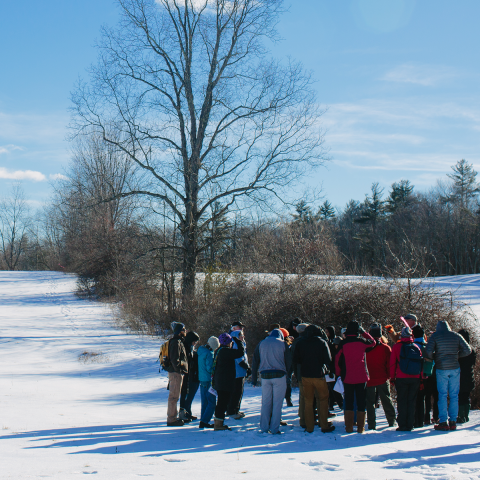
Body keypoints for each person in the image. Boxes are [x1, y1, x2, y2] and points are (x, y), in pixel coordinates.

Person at [425, 321, 472, 431]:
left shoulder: (435, 336)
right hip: (455, 367)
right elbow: (468, 350)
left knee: (442, 395)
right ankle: (453, 421)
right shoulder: (456, 335)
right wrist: (457, 356)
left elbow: (428, 351)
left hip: (441, 368)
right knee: (454, 395)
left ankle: (443, 421)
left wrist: (435, 357)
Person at [292, 325, 335, 433]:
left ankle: (309, 426)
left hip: (305, 375)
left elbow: (296, 359)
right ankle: (324, 424)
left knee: (308, 401)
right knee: (323, 400)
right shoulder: (321, 342)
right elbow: (328, 359)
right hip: (319, 375)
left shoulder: (300, 343)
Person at [335, 320, 375, 433]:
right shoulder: (362, 341)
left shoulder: (343, 343)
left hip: (347, 376)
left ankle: (349, 427)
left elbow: (337, 359)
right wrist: (364, 333)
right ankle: (360, 427)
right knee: (361, 400)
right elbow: (373, 342)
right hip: (361, 375)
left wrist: (338, 374)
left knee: (348, 400)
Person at [251, 329, 288, 434]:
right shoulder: (282, 344)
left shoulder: (261, 343)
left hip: (265, 375)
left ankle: (264, 427)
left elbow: (255, 361)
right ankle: (275, 428)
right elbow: (288, 360)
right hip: (279, 375)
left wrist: (254, 379)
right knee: (277, 403)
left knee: (266, 402)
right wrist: (289, 375)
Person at [390, 326, 423, 432]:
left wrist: (392, 377)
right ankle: (410, 424)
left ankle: (402, 424)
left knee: (402, 400)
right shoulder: (416, 347)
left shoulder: (396, 347)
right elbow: (420, 363)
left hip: (401, 376)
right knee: (411, 401)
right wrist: (421, 378)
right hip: (415, 378)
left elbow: (392, 363)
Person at [212, 333, 245, 430]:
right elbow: (240, 353)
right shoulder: (225, 352)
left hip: (219, 380)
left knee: (221, 402)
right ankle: (218, 424)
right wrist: (239, 341)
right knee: (222, 403)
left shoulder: (218, 351)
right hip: (224, 382)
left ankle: (218, 422)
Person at [365, 324, 396, 430]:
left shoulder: (365, 348)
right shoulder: (386, 348)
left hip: (369, 379)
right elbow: (390, 365)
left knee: (370, 402)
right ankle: (392, 421)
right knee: (386, 400)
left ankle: (371, 424)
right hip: (383, 378)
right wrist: (390, 377)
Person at [165, 323, 188, 426]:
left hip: (175, 372)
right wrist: (179, 370)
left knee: (174, 396)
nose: (185, 331)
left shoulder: (178, 341)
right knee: (174, 396)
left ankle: (172, 417)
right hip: (175, 373)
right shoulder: (176, 342)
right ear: (179, 331)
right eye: (184, 329)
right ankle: (172, 419)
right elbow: (175, 359)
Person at [226, 330, 250, 420]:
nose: (243, 337)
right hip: (237, 372)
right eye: (241, 335)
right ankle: (232, 411)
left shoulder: (242, 343)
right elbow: (239, 359)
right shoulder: (235, 344)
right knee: (235, 392)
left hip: (241, 372)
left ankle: (236, 409)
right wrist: (246, 367)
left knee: (239, 392)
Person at [197, 336, 220, 429]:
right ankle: (205, 421)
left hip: (202, 379)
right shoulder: (209, 354)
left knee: (204, 402)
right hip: (208, 379)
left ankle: (203, 420)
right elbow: (209, 368)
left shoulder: (201, 350)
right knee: (211, 402)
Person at [289, 323, 309, 427]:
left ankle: (302, 417)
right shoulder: (309, 341)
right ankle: (307, 419)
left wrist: (296, 373)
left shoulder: (295, 342)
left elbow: (293, 360)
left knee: (302, 396)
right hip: (308, 372)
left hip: (300, 372)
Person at [179, 331, 200, 422]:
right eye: (194, 342)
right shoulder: (186, 348)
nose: (195, 344)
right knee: (185, 394)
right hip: (186, 375)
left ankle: (187, 412)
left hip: (189, 374)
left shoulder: (188, 348)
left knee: (188, 394)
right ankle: (184, 413)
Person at [457, 329, 476, 424]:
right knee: (466, 396)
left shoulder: (459, 349)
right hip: (469, 374)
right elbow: (473, 363)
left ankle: (460, 416)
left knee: (460, 396)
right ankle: (466, 415)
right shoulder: (472, 349)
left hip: (459, 375)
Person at [412, 324, 429, 428]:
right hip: (427, 375)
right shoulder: (427, 345)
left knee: (415, 398)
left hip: (415, 375)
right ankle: (422, 420)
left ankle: (415, 420)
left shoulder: (413, 346)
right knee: (422, 398)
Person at [280, 327, 294, 407]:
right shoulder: (289, 345)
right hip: (288, 367)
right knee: (288, 383)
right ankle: (288, 399)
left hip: (280, 366)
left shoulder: (278, 344)